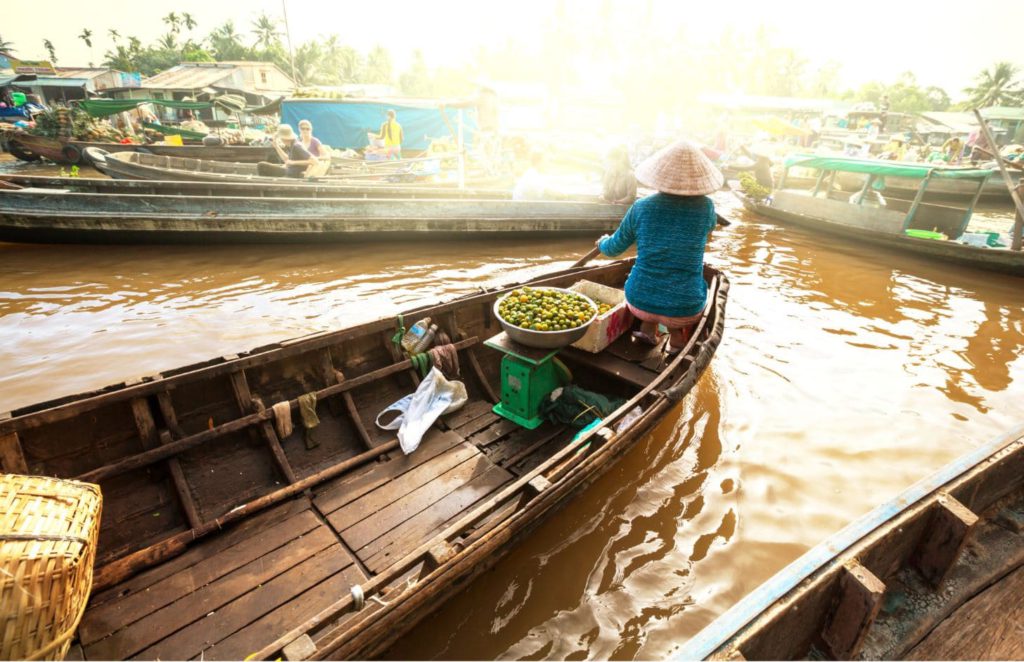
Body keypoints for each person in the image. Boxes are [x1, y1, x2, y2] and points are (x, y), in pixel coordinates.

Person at [595, 140, 722, 354]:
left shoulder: (641, 207)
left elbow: (612, 248)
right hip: (685, 308)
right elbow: (707, 232)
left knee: (649, 293)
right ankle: (676, 342)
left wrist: (601, 243)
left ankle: (647, 327)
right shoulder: (706, 208)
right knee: (681, 300)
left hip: (639, 300)